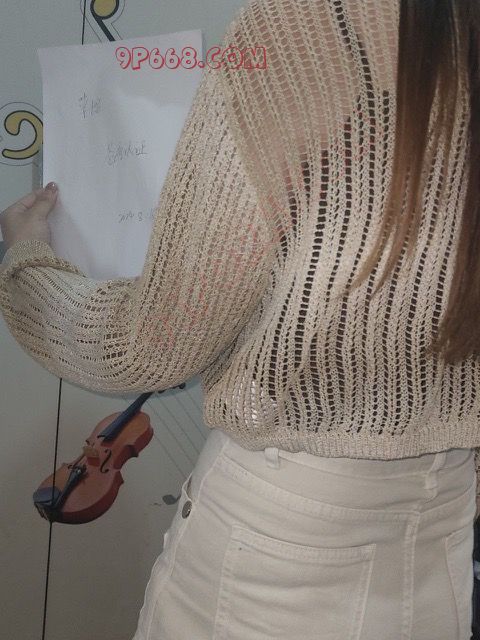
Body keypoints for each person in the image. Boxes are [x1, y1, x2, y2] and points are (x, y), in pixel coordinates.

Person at [1, 0, 480, 638]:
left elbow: (149, 344)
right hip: (442, 536)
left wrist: (27, 263)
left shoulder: (299, 27)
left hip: (277, 557)